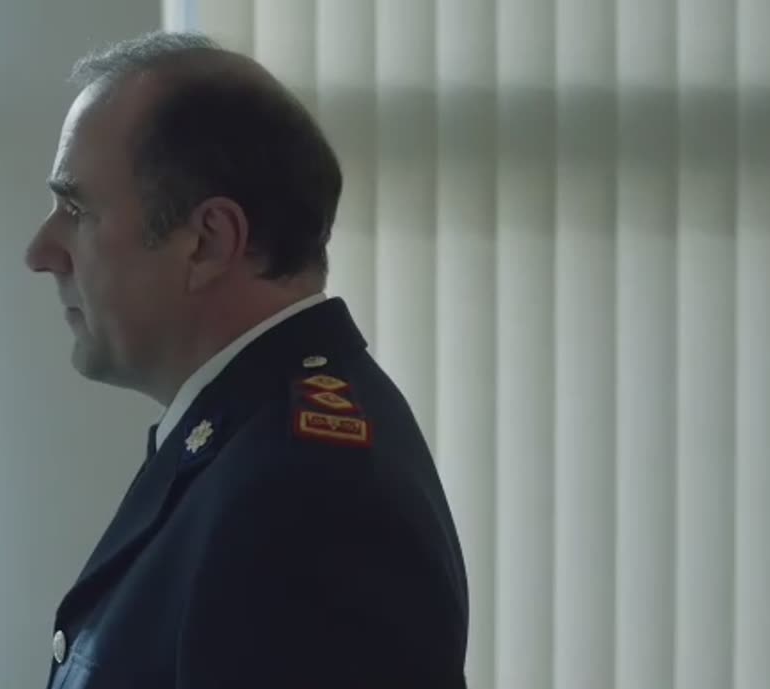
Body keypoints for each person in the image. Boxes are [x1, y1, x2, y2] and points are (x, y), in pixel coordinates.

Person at [25, 30, 469, 689]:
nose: (40, 251)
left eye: (75, 208)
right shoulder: (249, 443)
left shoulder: (302, 493)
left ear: (207, 243)